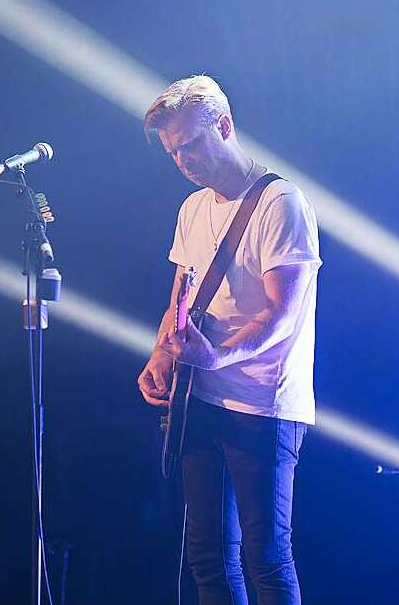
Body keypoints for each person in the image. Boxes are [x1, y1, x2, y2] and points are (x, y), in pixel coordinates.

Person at [137, 75, 321, 605]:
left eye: (190, 145)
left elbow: (283, 315)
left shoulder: (280, 203)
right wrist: (160, 354)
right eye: (172, 152)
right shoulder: (192, 209)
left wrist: (218, 353)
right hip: (202, 399)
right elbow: (181, 298)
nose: (182, 161)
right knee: (208, 557)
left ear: (224, 126)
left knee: (265, 557)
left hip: (264, 405)